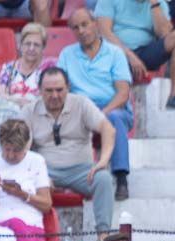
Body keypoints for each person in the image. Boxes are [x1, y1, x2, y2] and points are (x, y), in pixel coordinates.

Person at [23, 68, 117, 241]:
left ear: (68, 88)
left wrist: (102, 162)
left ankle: (103, 237)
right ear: (40, 90)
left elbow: (108, 129)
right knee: (26, 184)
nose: (55, 95)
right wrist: (37, 176)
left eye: (59, 90)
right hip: (46, 171)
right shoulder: (30, 110)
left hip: (81, 170)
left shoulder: (81, 103)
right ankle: (34, 240)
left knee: (104, 179)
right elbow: (23, 147)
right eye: (49, 91)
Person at [58, 8, 134, 201]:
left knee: (114, 118)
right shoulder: (67, 54)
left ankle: (121, 178)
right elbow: (60, 87)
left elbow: (123, 93)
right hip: (80, 109)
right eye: (76, 27)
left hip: (112, 108)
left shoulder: (115, 53)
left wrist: (101, 114)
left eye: (85, 24)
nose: (81, 31)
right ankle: (76, 180)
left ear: (95, 24)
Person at [95, 0, 175, 113]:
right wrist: (130, 56)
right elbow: (104, 33)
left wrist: (154, 4)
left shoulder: (159, 3)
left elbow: (164, 33)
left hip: (146, 52)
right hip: (116, 53)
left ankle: (174, 96)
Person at [0, 22, 57, 108]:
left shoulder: (50, 68)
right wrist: (17, 101)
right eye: (27, 44)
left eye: (36, 45)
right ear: (20, 45)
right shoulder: (9, 68)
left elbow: (52, 96)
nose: (31, 48)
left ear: (43, 47)